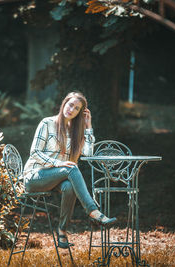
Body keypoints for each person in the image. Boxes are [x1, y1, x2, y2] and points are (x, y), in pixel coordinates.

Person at [22, 91, 117, 249]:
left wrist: (88, 127)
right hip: (34, 177)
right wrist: (58, 163)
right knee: (71, 168)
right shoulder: (47, 123)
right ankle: (93, 211)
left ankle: (62, 230)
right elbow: (35, 153)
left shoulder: (76, 131)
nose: (71, 109)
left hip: (57, 179)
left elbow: (88, 153)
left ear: (80, 113)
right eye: (70, 104)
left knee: (69, 186)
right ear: (64, 103)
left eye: (77, 108)